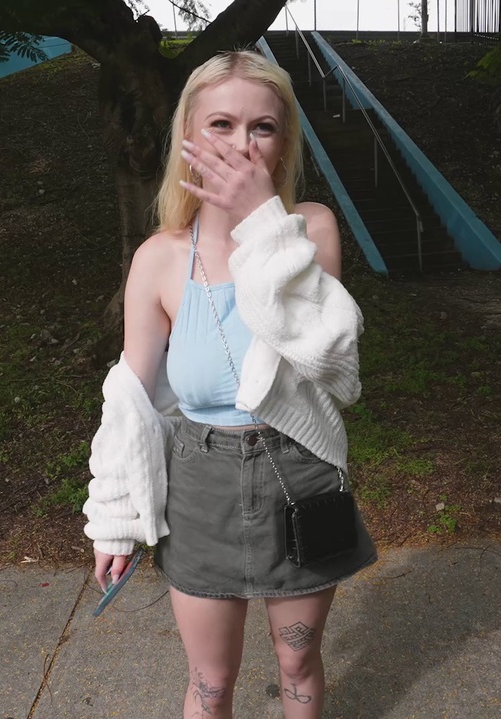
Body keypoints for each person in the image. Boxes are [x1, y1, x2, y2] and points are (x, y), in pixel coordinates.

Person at [82, 49, 377, 719]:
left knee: (298, 661)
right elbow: (130, 403)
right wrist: (116, 522)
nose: (242, 145)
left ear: (283, 141)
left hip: (300, 474)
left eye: (262, 127)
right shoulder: (158, 259)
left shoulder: (311, 229)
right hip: (200, 488)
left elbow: (328, 358)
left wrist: (263, 221)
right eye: (221, 124)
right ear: (189, 135)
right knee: (211, 682)